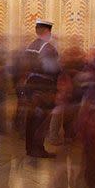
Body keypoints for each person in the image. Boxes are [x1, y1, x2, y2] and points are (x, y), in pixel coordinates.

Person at [23, 20, 60, 158]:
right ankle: (38, 149)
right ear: (46, 31)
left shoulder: (31, 45)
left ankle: (30, 148)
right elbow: (53, 69)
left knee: (31, 118)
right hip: (44, 87)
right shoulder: (48, 48)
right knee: (41, 120)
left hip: (31, 84)